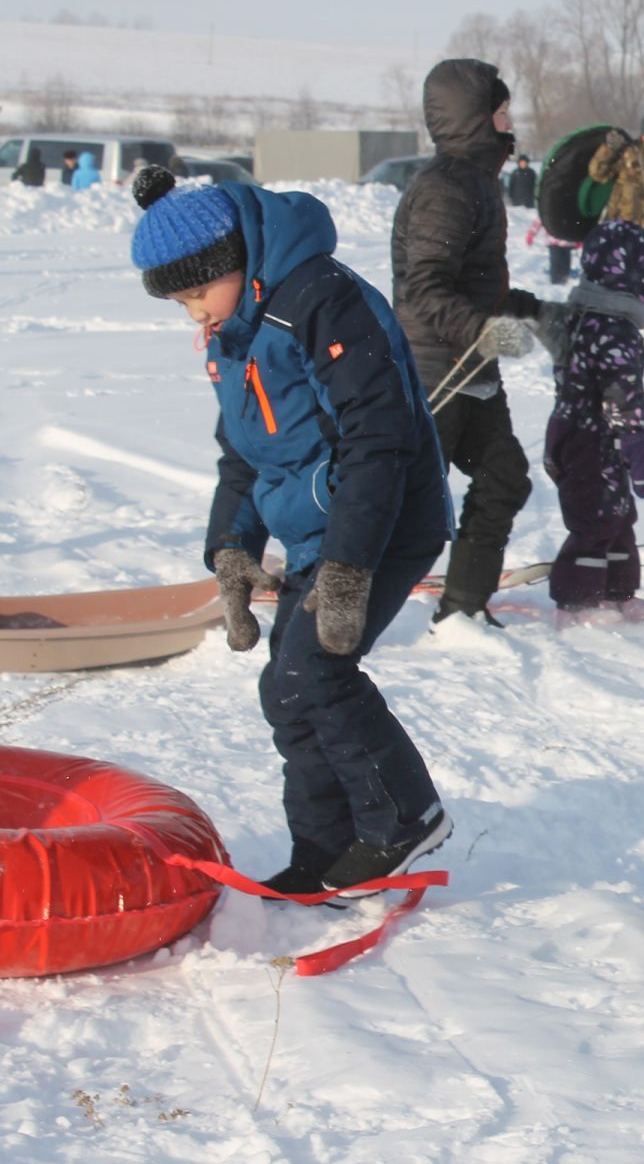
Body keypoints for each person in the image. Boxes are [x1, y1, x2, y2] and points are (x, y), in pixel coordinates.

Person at [128, 165, 455, 896]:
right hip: (320, 531)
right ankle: (322, 846)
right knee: (286, 688)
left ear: (233, 264)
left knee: (317, 670)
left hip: (385, 520)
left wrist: (348, 568)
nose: (193, 318)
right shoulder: (232, 332)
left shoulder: (321, 302)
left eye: (195, 295)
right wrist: (232, 548)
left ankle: (404, 816)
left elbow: (381, 438)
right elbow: (242, 456)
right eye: (178, 303)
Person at [391, 58, 551, 626]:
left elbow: (476, 284)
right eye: (501, 111)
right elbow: (425, 285)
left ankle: (461, 610)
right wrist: (483, 331)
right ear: (475, 119)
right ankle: (332, 594)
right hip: (433, 369)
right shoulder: (446, 187)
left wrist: (537, 313)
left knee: (504, 478)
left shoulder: (478, 183)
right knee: (403, 507)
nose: (511, 121)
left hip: (472, 365)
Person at [541, 218, 644, 626]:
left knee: (617, 515)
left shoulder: (581, 316)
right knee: (594, 520)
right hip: (592, 439)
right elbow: (622, 393)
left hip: (577, 433)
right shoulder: (614, 329)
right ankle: (575, 602)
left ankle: (617, 592)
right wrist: (638, 446)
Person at [586, 112, 644, 338]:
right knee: (618, 278)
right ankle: (613, 323)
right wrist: (609, 148)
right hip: (622, 227)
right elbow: (597, 173)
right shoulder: (629, 152)